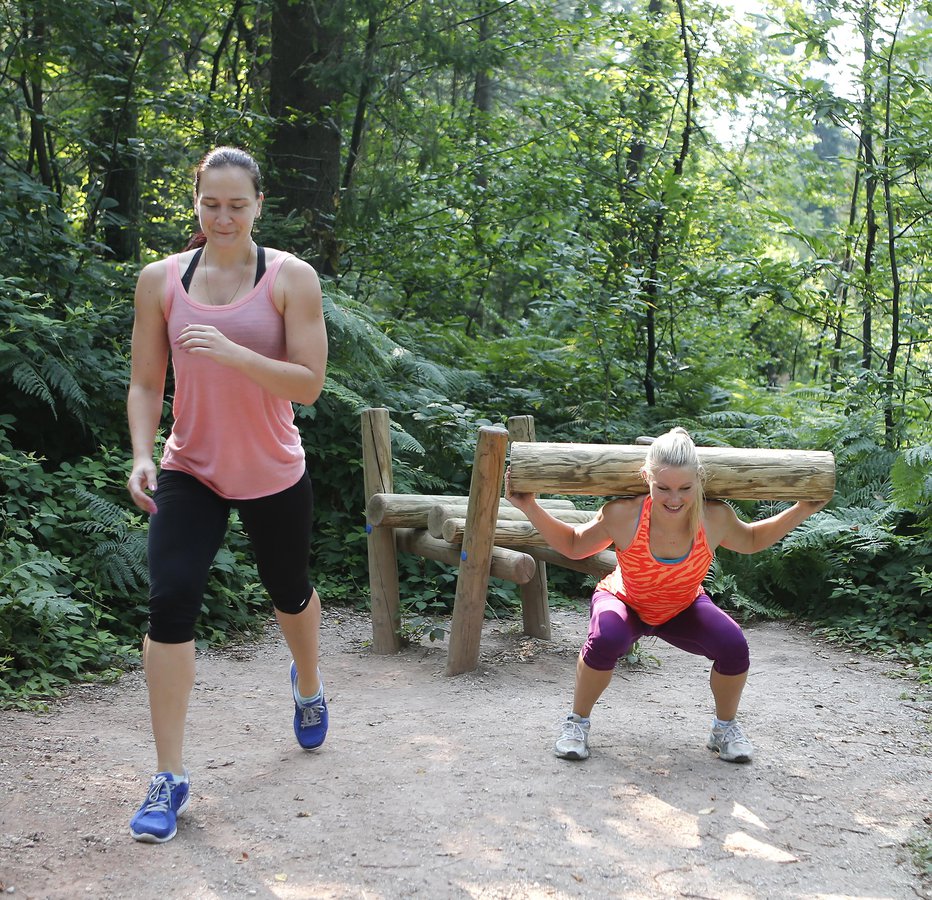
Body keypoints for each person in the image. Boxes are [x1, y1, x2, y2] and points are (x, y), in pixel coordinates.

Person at [125, 146, 329, 843]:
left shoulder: (289, 278)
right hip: (194, 470)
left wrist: (235, 353)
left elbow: (308, 383)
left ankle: (307, 683)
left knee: (289, 590)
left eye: (236, 205)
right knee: (170, 599)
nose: (223, 217)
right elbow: (147, 383)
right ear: (196, 204)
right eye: (211, 204)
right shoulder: (160, 280)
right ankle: (169, 776)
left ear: (258, 206)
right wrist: (141, 455)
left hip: (273, 469)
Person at [504, 427, 828, 764]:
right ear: (647, 478)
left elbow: (750, 540)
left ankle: (724, 729)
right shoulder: (624, 515)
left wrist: (803, 509)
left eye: (685, 488)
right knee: (606, 637)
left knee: (733, 645)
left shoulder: (713, 517)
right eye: (664, 488)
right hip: (625, 600)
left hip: (682, 606)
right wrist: (529, 506)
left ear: (700, 480)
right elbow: (573, 545)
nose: (675, 499)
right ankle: (577, 724)